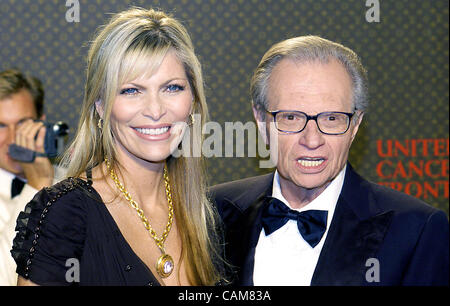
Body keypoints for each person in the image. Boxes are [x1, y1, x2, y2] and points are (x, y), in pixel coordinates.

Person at [11, 7, 226, 286]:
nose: (155, 110)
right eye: (131, 90)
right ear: (100, 106)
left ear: (193, 99)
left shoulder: (208, 214)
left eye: (172, 87)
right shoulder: (63, 213)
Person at [211, 35, 449, 286]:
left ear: (355, 124)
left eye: (332, 119)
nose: (312, 140)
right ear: (261, 121)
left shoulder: (416, 232)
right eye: (291, 117)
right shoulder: (211, 214)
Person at [0, 69, 57, 286]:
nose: (13, 139)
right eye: (1, 126)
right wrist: (37, 187)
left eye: (23, 124)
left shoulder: (75, 180)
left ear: (41, 124)